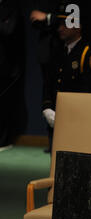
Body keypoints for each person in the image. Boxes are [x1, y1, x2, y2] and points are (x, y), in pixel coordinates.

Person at [40, 6, 91, 152]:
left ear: (78, 26)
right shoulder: (57, 51)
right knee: (55, 159)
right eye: (60, 24)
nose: (60, 28)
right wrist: (47, 107)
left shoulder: (89, 54)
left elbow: (88, 89)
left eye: (66, 24)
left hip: (77, 119)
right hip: (55, 116)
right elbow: (48, 81)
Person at [0, 0, 27, 149]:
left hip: (7, 68)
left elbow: (8, 29)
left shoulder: (12, 7)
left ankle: (4, 141)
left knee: (4, 104)